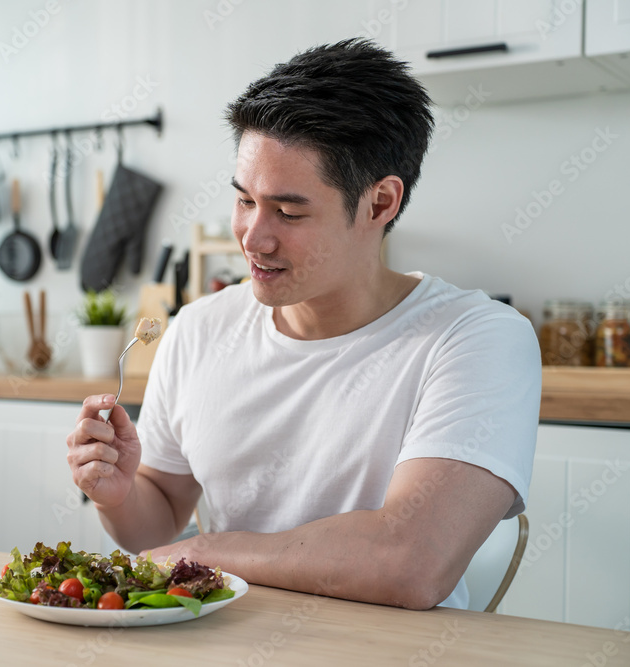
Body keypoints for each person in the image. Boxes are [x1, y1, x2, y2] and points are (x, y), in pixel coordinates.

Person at [65, 38, 541, 610]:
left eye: (289, 212)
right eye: (244, 201)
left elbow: (410, 563)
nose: (253, 237)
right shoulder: (198, 331)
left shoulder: (476, 340)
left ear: (380, 204)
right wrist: (117, 496)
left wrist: (209, 551)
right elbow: (159, 526)